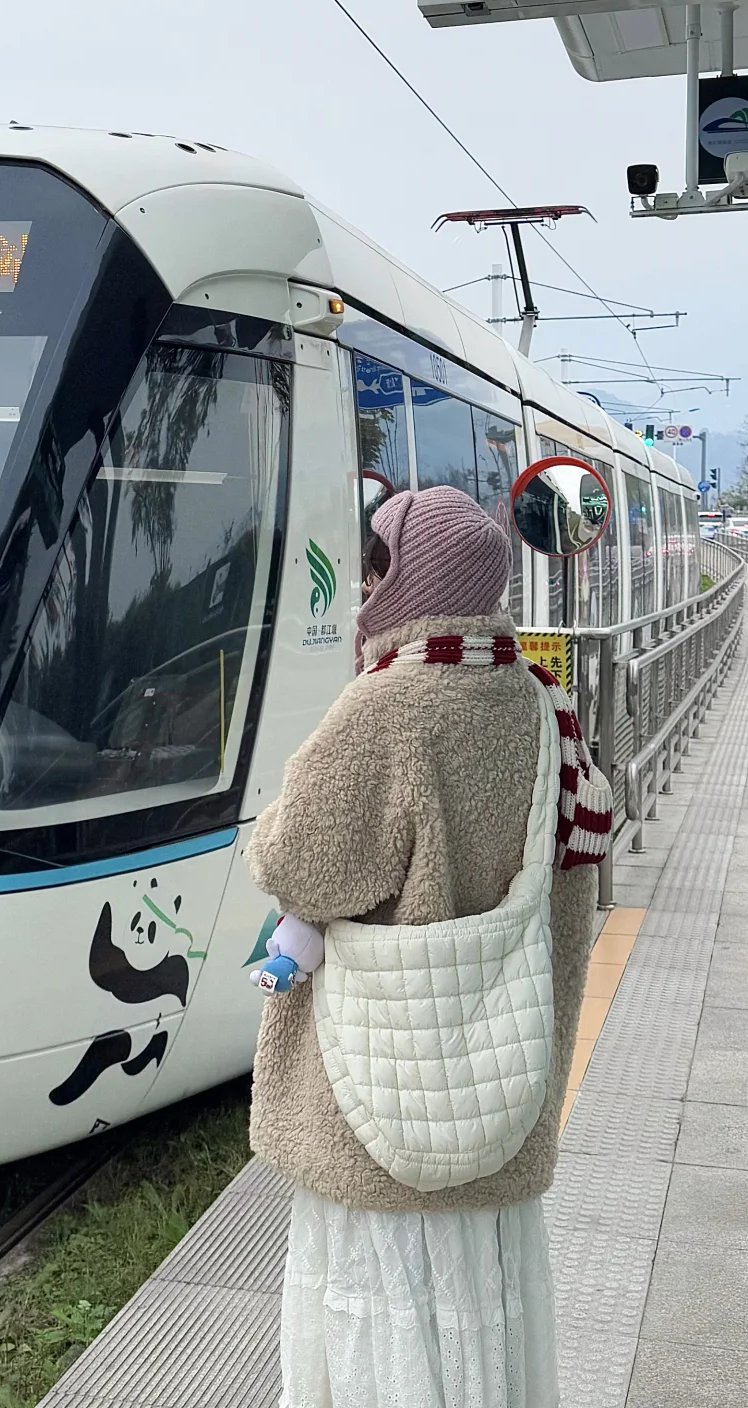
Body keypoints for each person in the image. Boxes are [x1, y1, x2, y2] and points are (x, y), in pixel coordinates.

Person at [246, 485, 611, 1408]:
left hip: (380, 1090)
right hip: (501, 1073)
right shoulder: (537, 700)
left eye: (376, 571)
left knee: (382, 1312)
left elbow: (299, 864)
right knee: (477, 1304)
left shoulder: (389, 704)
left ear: (408, 578)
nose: (366, 591)